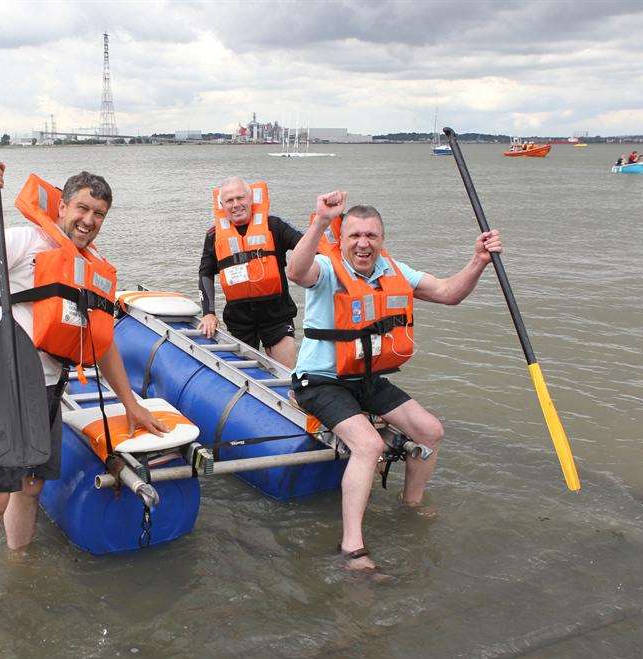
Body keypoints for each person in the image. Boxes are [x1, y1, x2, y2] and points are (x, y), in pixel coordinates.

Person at [0, 160, 167, 616]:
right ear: (64, 205)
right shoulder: (26, 240)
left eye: (100, 214)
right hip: (2, 378)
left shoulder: (94, 270)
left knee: (29, 488)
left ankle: (19, 562)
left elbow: (103, 343)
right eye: (83, 208)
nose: (88, 220)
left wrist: (130, 405)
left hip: (50, 385)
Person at [286, 191, 502, 572]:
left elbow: (450, 293)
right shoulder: (326, 268)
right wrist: (320, 220)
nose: (363, 243)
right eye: (354, 235)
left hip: (366, 379)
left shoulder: (395, 271)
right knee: (368, 445)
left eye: (371, 235)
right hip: (320, 381)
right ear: (343, 239)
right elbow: (296, 271)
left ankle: (411, 504)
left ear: (382, 239)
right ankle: (352, 545)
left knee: (430, 430)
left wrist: (478, 261)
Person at [197, 177, 303, 368]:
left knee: (287, 376)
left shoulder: (275, 226)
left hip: (277, 316)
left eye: (240, 198)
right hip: (240, 320)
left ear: (251, 198)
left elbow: (306, 246)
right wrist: (209, 313)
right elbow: (205, 273)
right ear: (222, 205)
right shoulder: (213, 235)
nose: (236, 204)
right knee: (246, 379)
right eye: (229, 200)